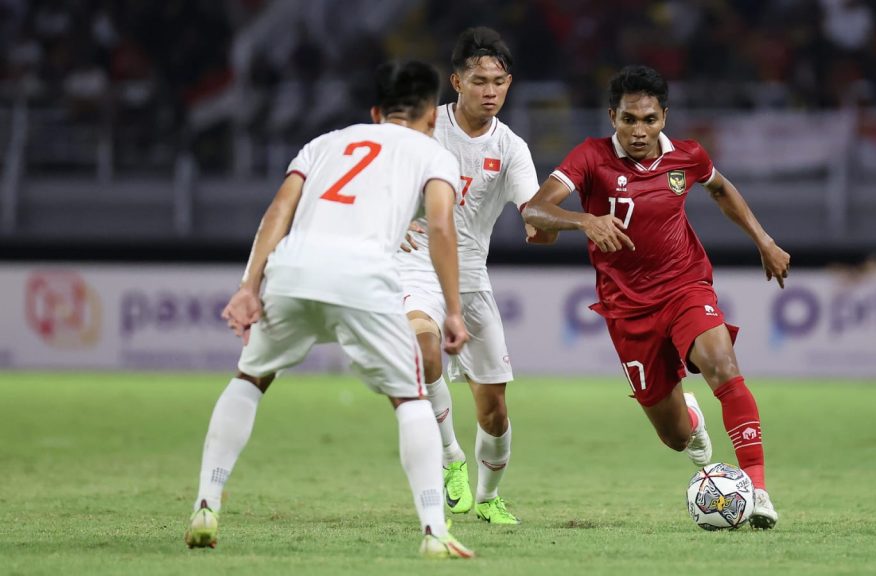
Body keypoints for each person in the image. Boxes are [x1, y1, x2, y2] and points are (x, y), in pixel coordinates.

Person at [184, 60, 475, 559]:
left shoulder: (324, 143)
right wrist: (452, 309)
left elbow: (279, 210)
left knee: (250, 378)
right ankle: (434, 530)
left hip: (293, 268)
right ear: (432, 114)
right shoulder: (433, 154)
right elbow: (441, 227)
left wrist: (248, 286)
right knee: (410, 400)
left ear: (376, 111)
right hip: (364, 277)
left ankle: (206, 503)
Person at [522, 65, 790, 529]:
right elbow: (535, 209)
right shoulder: (590, 157)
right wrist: (586, 221)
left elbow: (721, 189)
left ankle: (758, 490)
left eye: (649, 119)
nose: (639, 131)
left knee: (723, 366)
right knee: (675, 436)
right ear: (613, 117)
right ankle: (692, 421)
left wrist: (764, 240)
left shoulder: (687, 156)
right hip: (627, 307)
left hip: (685, 285)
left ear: (664, 116)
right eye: (629, 119)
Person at [395, 27, 539, 525]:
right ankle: (450, 456)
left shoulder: (512, 147)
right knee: (422, 346)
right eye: (479, 81)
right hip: (417, 263)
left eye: (498, 82)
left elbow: (532, 207)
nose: (490, 91)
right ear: (457, 82)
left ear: (509, 83)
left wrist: (543, 224)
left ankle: (488, 497)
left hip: (472, 278)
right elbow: (382, 181)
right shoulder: (425, 128)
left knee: (494, 410)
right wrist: (391, 221)